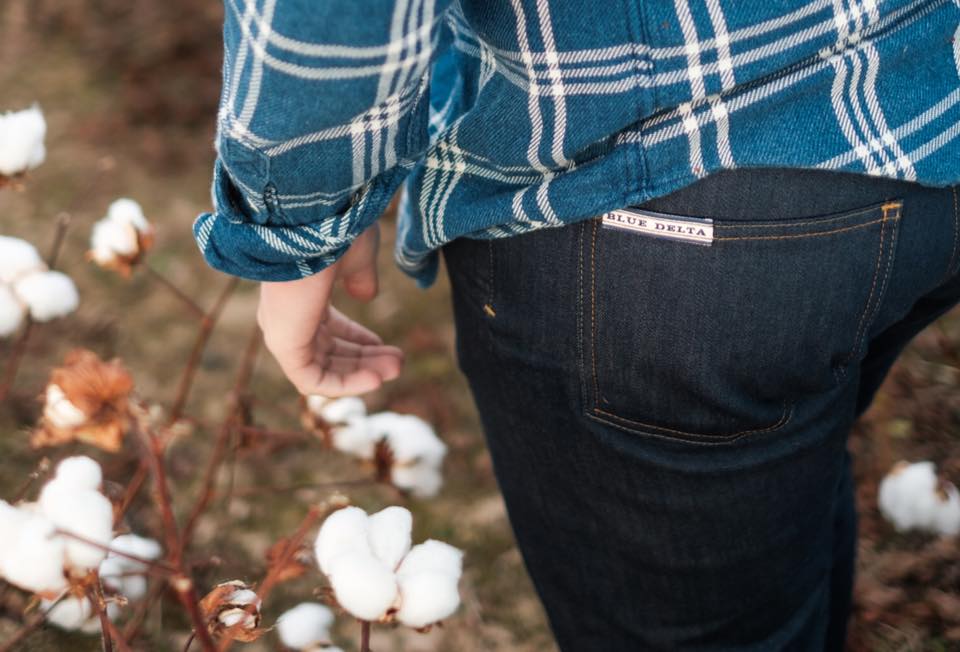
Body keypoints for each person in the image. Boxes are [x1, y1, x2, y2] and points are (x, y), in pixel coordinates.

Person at [194, 1, 960, 649]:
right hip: (925, 115)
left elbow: (326, 20)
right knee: (779, 480)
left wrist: (296, 224)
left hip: (653, 188)